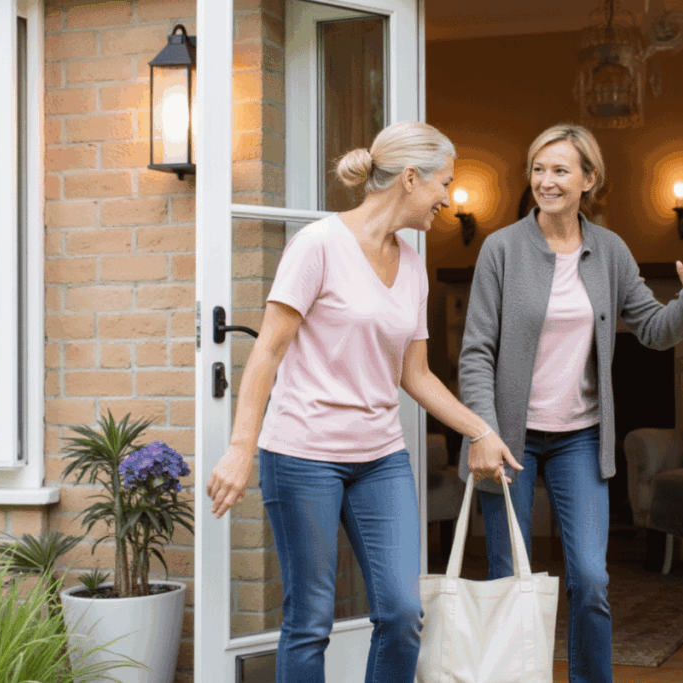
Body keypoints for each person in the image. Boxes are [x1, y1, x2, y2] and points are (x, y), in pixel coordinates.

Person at [205, 121, 521, 683]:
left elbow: (416, 375)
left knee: (402, 611)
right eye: (443, 183)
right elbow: (267, 353)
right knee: (309, 619)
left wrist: (481, 430)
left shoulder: (414, 265)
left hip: (380, 457)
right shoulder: (319, 245)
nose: (447, 199)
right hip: (303, 454)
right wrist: (239, 449)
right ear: (409, 178)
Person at [458, 123, 683, 683]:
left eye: (560, 170)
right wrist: (482, 431)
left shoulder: (610, 251)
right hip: (508, 439)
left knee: (591, 580)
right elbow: (477, 351)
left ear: (589, 179)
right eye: (538, 169)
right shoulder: (500, 249)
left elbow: (651, 328)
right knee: (510, 581)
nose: (545, 181)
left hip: (580, 435)